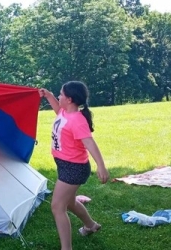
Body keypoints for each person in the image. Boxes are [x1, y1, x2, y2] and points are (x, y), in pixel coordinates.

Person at [39, 81, 109, 250]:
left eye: (61, 94)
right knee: (69, 202)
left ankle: (66, 248)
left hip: (74, 168)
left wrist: (101, 166)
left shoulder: (77, 120)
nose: (59, 96)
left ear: (69, 99)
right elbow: (58, 111)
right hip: (65, 165)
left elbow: (90, 143)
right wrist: (48, 95)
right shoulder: (64, 112)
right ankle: (91, 225)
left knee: (57, 206)